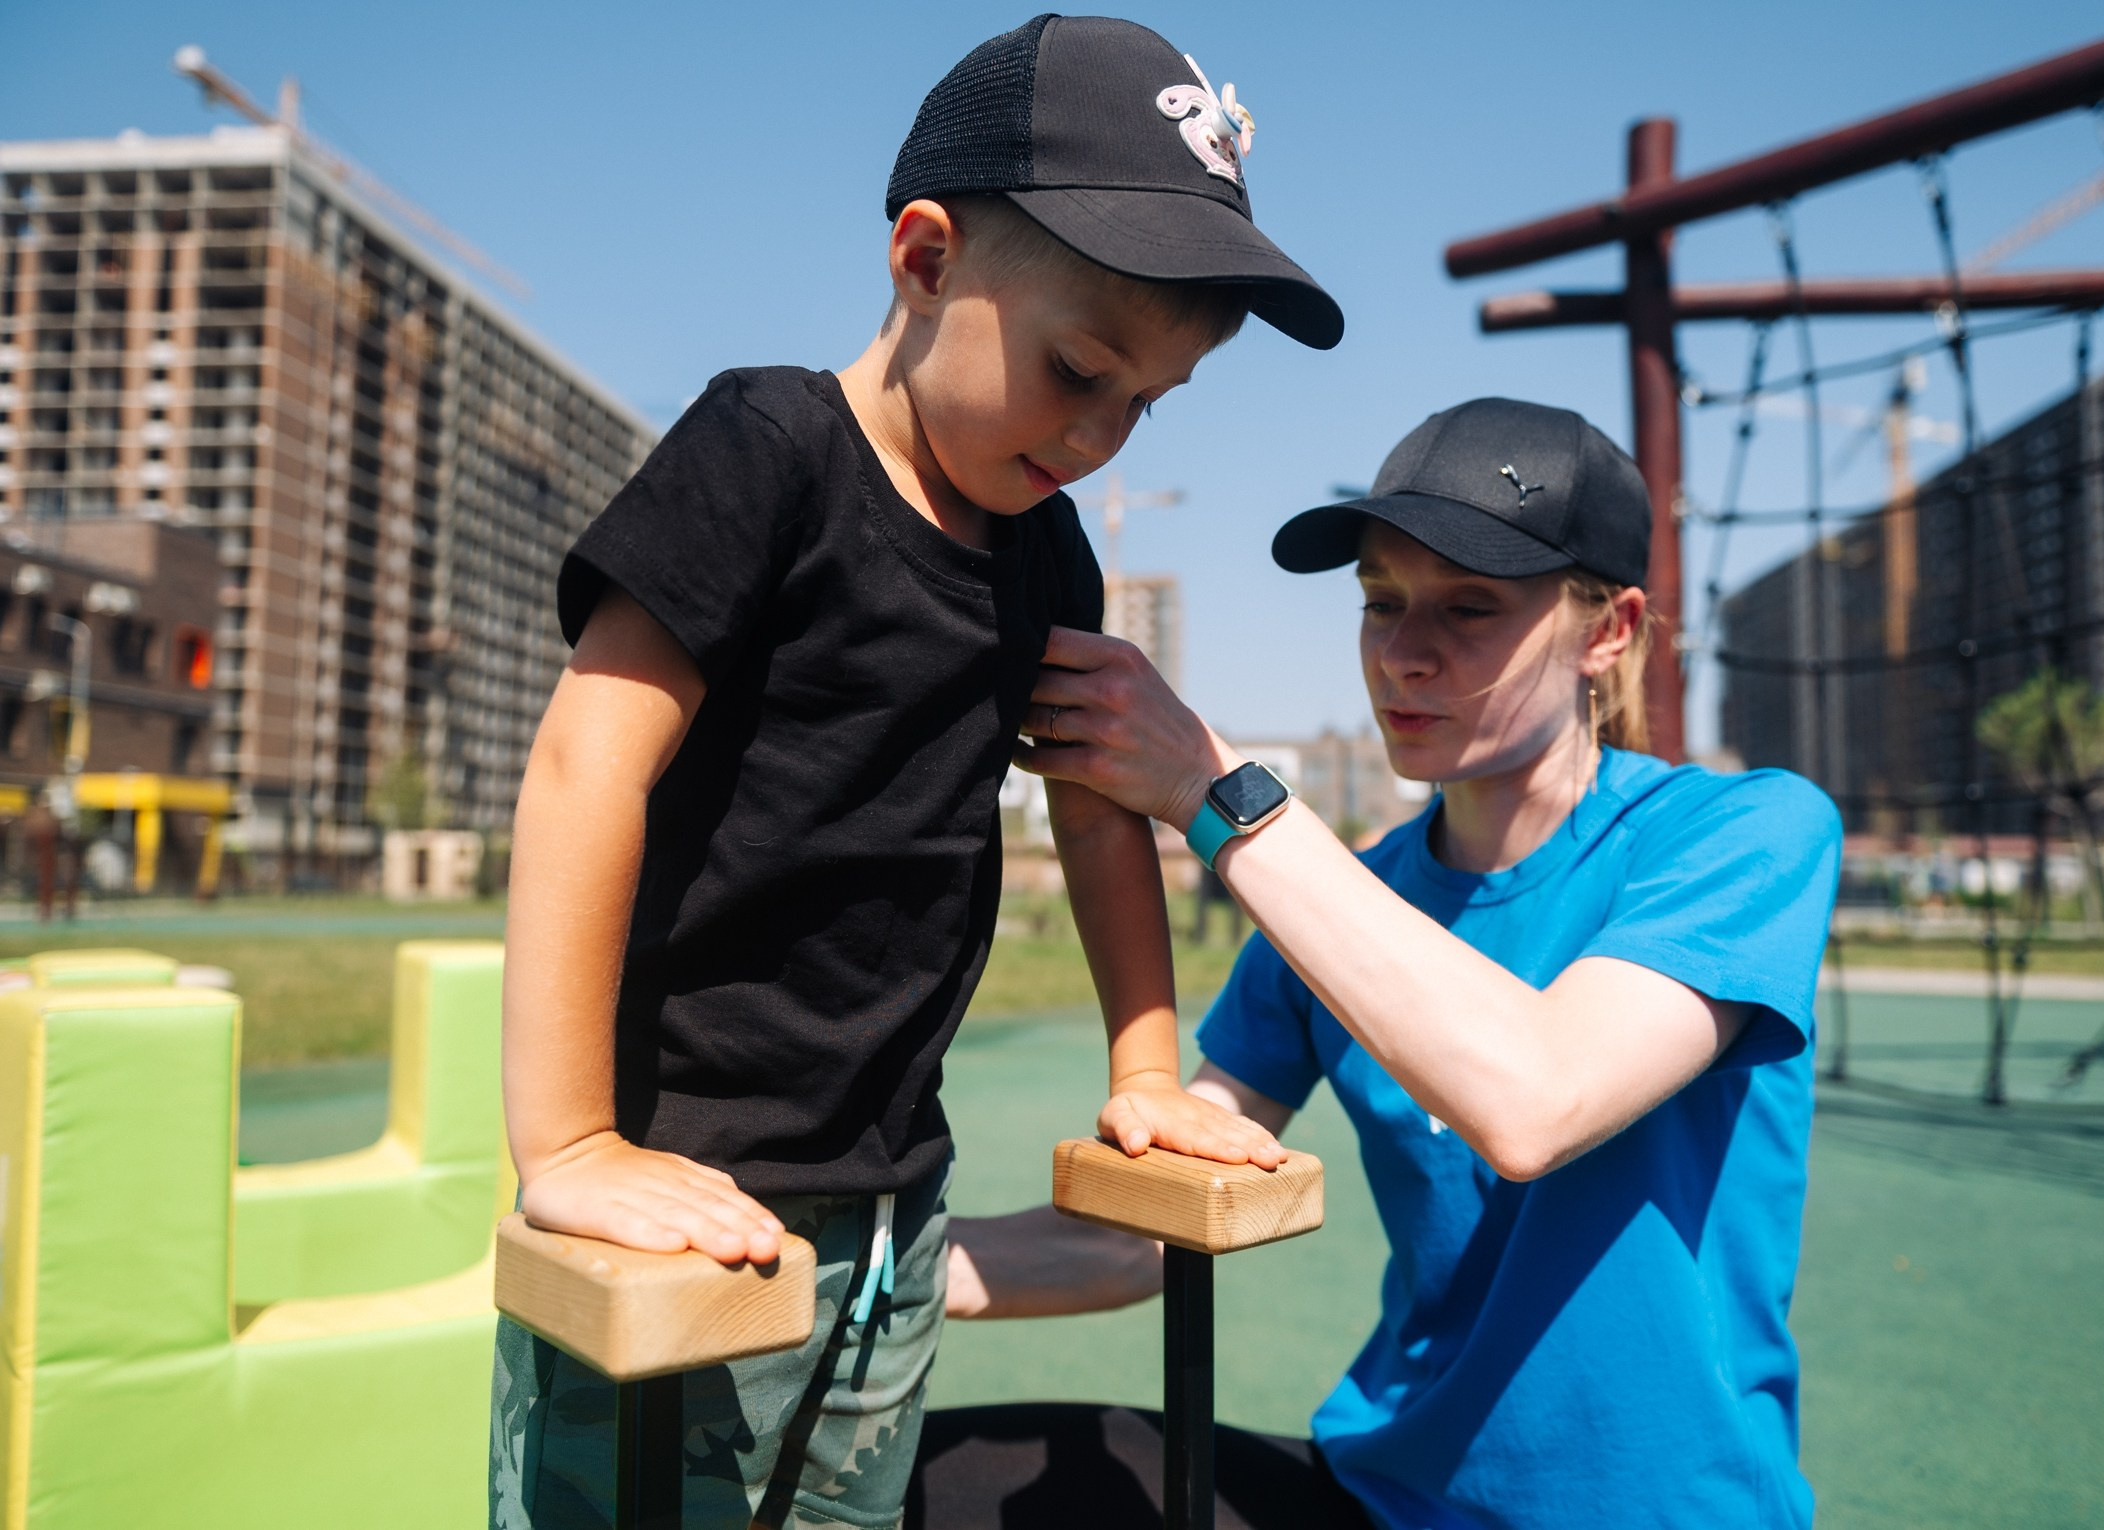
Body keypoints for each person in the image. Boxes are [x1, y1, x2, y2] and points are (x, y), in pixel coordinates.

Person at [490, 17, 1342, 1526]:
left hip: (896, 1210)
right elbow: (583, 763)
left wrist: (1146, 1068)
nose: (1096, 435)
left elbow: (1093, 811)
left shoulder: (1046, 554)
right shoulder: (766, 451)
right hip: (678, 1190)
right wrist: (570, 1144)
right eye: (1079, 367)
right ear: (926, 256)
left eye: (1143, 404)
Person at [946, 399, 1843, 1528]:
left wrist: (1216, 794)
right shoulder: (1340, 905)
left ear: (1607, 631)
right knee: (947, 1480)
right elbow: (1137, 1238)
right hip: (1382, 1494)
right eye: (1380, 603)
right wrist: (860, 1272)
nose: (1402, 655)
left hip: (1655, 1510)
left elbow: (1534, 1101)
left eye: (1468, 608)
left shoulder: (1741, 832)